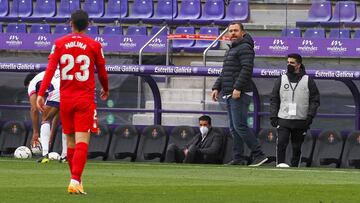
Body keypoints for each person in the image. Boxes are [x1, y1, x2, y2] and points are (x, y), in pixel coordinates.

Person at [36, 10, 109, 195]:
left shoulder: (59, 43)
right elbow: (102, 71)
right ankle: (75, 180)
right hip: (84, 99)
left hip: (66, 99)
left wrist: (41, 93)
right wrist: (105, 88)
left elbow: (51, 69)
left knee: (70, 140)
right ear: (88, 25)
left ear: (71, 24)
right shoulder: (94, 45)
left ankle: (77, 180)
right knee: (83, 139)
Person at [211, 21, 268, 167]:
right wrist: (216, 87)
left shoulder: (245, 48)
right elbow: (226, 72)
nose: (232, 33)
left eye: (235, 31)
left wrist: (237, 88)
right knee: (234, 127)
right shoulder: (232, 49)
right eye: (230, 31)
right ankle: (238, 157)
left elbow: (247, 69)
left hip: (239, 93)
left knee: (240, 126)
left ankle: (259, 155)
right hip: (230, 92)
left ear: (242, 32)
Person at [270, 53, 320, 167]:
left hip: (301, 120)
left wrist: (310, 116)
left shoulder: (308, 80)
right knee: (281, 143)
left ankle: (295, 168)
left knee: (297, 147)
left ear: (298, 65)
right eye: (287, 62)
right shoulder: (281, 79)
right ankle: (280, 165)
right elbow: (274, 98)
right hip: (283, 119)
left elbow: (315, 100)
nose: (289, 65)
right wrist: (273, 115)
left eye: (292, 63)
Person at [24, 71, 68, 164]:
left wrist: (35, 133)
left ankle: (45, 155)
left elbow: (34, 109)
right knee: (66, 122)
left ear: (29, 83)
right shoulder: (47, 79)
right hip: (71, 88)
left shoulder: (32, 83)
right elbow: (57, 114)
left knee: (45, 119)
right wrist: (51, 135)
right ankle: (65, 156)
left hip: (59, 89)